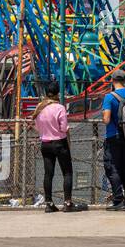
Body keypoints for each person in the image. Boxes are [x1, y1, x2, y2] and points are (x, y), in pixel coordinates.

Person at [33, 82, 79, 213]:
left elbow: (37, 127)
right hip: (59, 143)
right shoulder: (60, 108)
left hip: (45, 143)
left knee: (48, 174)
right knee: (67, 172)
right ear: (58, 93)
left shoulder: (39, 108)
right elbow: (64, 128)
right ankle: (67, 202)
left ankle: (49, 203)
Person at [101, 73, 125, 211]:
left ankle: (118, 201)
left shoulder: (109, 97)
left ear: (112, 81)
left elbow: (106, 119)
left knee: (113, 168)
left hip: (113, 136)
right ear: (124, 80)